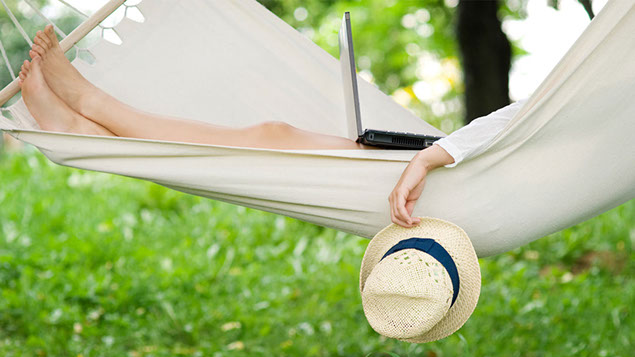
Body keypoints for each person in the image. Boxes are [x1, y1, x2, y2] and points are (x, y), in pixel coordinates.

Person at [19, 25, 526, 230]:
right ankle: (83, 124)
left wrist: (433, 155)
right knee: (276, 134)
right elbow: (527, 119)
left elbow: (531, 121)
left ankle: (89, 109)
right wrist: (437, 150)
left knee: (272, 141)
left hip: (466, 185)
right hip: (469, 167)